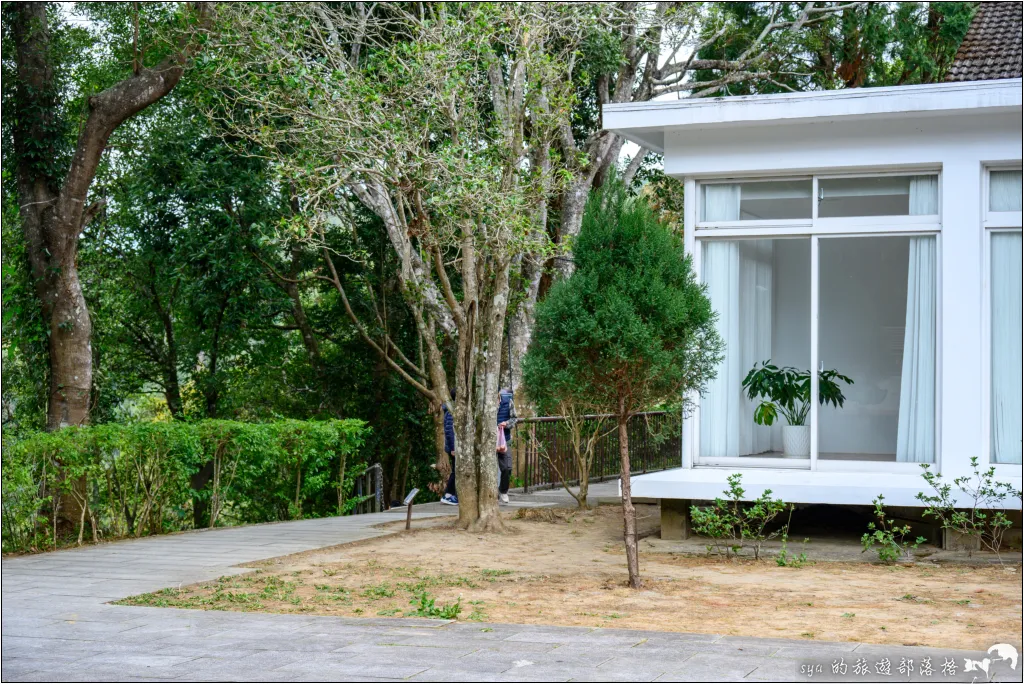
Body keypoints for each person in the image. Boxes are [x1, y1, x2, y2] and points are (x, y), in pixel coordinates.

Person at [495, 387, 518, 504]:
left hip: (505, 440)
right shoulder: (484, 404)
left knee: (507, 468)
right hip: (488, 441)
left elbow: (514, 418)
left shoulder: (508, 401)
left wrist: (506, 423)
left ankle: (503, 491)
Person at [440, 389, 458, 506]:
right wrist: (453, 448)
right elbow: (449, 431)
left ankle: (449, 494)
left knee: (456, 471)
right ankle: (449, 494)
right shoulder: (452, 411)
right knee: (457, 471)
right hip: (454, 447)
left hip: (455, 446)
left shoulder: (453, 409)